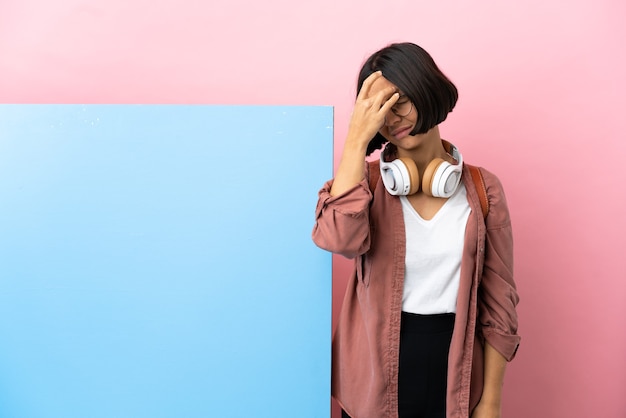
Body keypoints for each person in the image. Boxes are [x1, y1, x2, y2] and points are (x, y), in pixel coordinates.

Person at [312, 42, 520, 418]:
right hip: (374, 373)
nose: (394, 120)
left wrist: (490, 401)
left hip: (454, 367)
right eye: (381, 112)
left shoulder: (484, 191)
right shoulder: (365, 186)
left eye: (402, 100)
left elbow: (499, 302)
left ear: (427, 89)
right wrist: (357, 139)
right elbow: (337, 239)